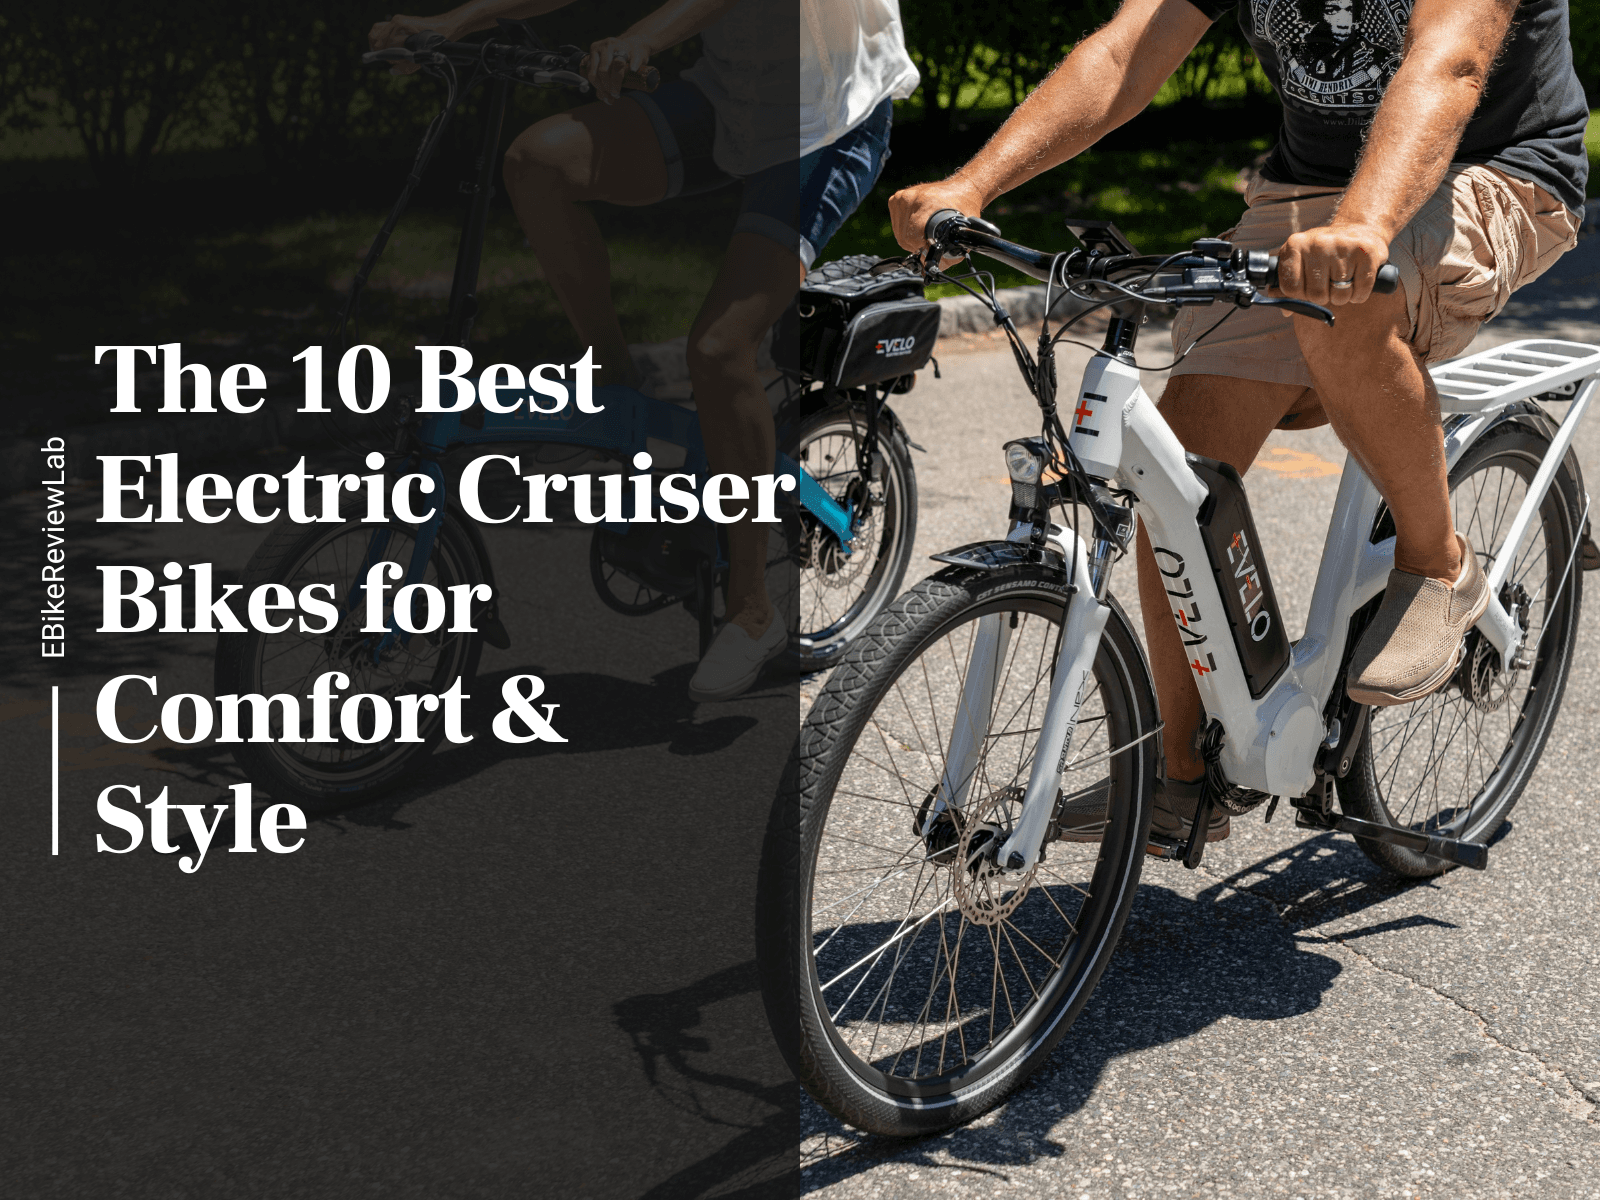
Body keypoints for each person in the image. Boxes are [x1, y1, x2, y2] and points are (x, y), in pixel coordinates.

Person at [888, 0, 1587, 842]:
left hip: (1490, 170)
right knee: (1174, 467)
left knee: (1353, 299)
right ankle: (1184, 779)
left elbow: (1450, 59)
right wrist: (973, 183)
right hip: (1310, 197)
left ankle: (1439, 563)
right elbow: (1124, 55)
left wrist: (1364, 226)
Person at [371, 0, 918, 701]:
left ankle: (751, 610)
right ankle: (616, 383)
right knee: (537, 162)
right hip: (731, 103)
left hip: (828, 122)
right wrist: (460, 23)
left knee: (720, 350)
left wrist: (641, 39)